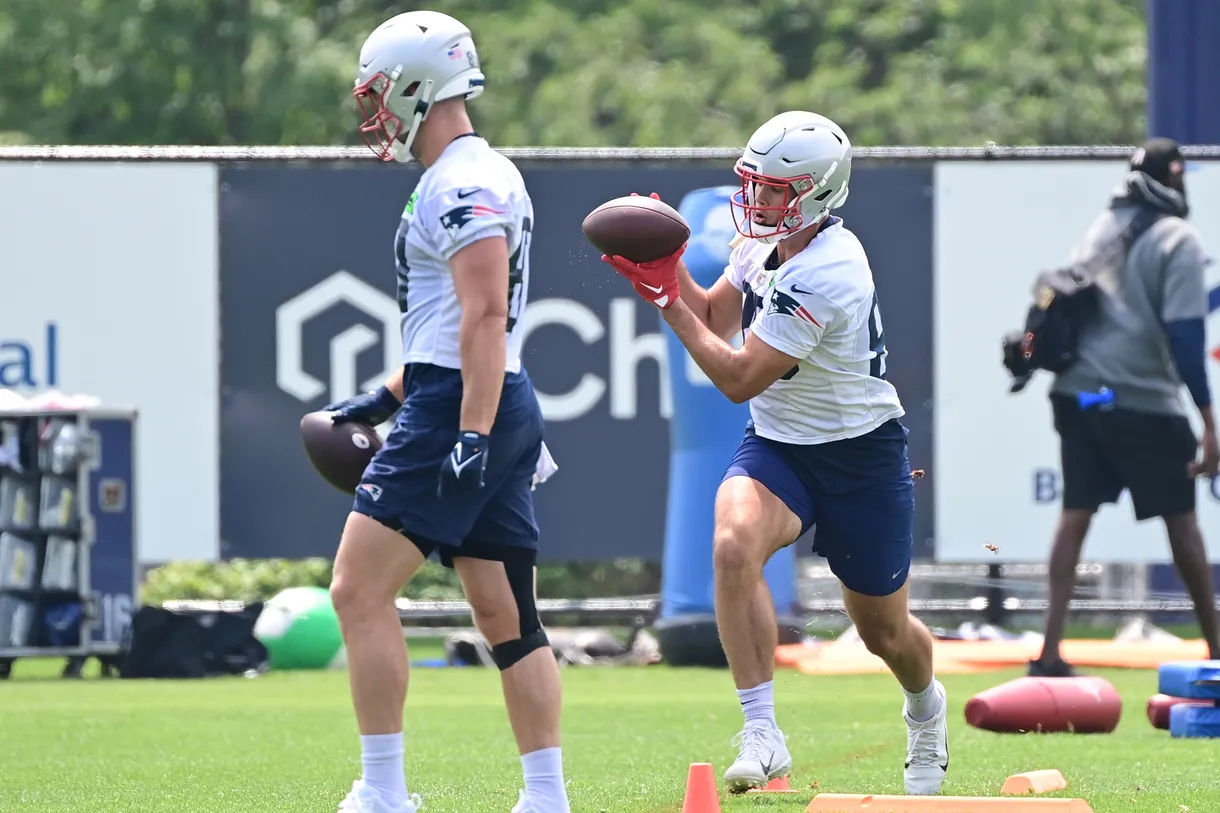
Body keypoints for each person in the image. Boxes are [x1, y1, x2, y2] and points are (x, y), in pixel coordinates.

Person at [602, 111, 948, 796]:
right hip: (779, 443)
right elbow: (717, 317)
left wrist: (665, 301)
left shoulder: (830, 270)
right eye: (754, 184)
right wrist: (666, 271)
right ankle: (761, 730)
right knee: (733, 544)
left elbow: (735, 376)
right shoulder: (764, 245)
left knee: (883, 632)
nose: (758, 201)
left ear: (818, 192)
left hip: (860, 456)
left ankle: (926, 708)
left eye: (776, 189)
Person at [321, 11, 568, 813]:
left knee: (357, 589)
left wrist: (468, 429)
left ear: (418, 87)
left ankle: (385, 790)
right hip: (474, 392)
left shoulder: (461, 180)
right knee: (505, 613)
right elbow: (450, 323)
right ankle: (545, 797)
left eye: (382, 95)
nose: (377, 113)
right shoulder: (474, 172)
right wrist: (385, 394)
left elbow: (484, 314)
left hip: (466, 401)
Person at [1030, 137, 1220, 678]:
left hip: (1083, 396)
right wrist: (1209, 421)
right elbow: (1186, 338)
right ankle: (1216, 651)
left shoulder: (1103, 225)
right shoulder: (1177, 238)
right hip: (1137, 401)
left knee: (1075, 514)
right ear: (1176, 179)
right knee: (1181, 518)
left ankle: (1047, 653)